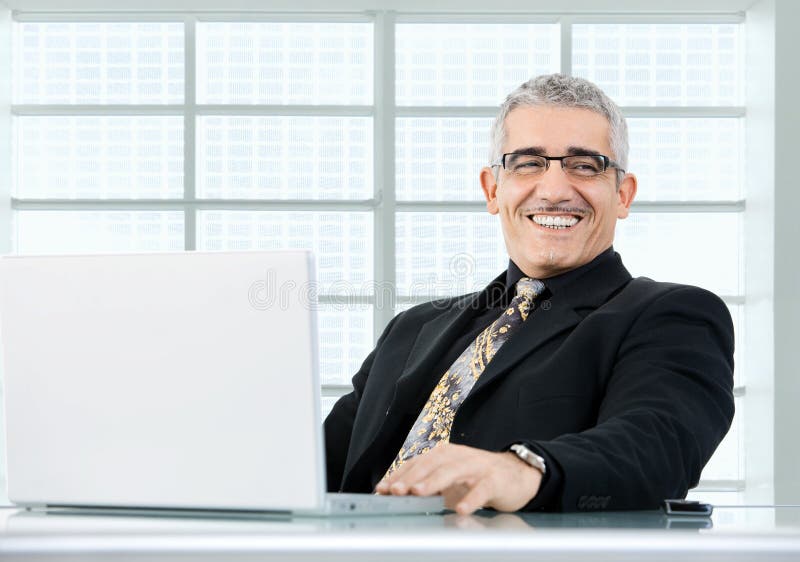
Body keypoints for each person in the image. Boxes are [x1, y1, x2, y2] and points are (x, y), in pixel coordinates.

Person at [323, 74, 735, 514]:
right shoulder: (412, 329)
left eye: (585, 165)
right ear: (492, 189)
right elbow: (314, 468)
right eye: (528, 163)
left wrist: (519, 469)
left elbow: (655, 445)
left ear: (623, 195)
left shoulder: (672, 316)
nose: (555, 191)